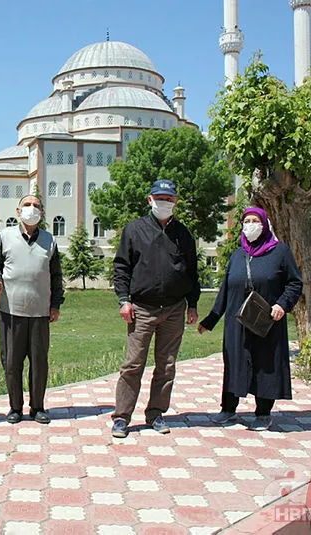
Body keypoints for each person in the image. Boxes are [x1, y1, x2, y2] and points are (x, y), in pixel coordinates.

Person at [198, 206, 302, 431]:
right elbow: (226, 289)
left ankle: (263, 413)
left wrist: (282, 304)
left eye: (255, 220)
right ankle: (228, 408)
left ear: (264, 225)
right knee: (235, 363)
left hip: (266, 320)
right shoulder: (238, 255)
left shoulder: (280, 252)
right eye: (247, 221)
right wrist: (211, 320)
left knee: (265, 364)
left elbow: (295, 283)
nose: (250, 225)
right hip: (237, 322)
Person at [111, 179, 200, 439]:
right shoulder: (134, 230)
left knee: (167, 365)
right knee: (132, 364)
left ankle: (156, 413)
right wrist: (123, 300)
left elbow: (192, 273)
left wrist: (192, 304)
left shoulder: (184, 234)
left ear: (176, 202)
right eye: (159, 198)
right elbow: (121, 267)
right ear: (149, 200)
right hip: (141, 308)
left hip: (174, 309)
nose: (164, 203)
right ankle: (121, 417)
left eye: (169, 199)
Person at [0, 194, 64, 424]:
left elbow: (56, 275)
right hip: (11, 309)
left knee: (39, 362)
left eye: (36, 206)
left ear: (42, 212)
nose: (32, 209)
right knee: (12, 361)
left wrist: (55, 304)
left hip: (40, 311)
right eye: (27, 205)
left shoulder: (49, 240)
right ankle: (15, 407)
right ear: (18, 211)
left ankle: (38, 407)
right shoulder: (5, 236)